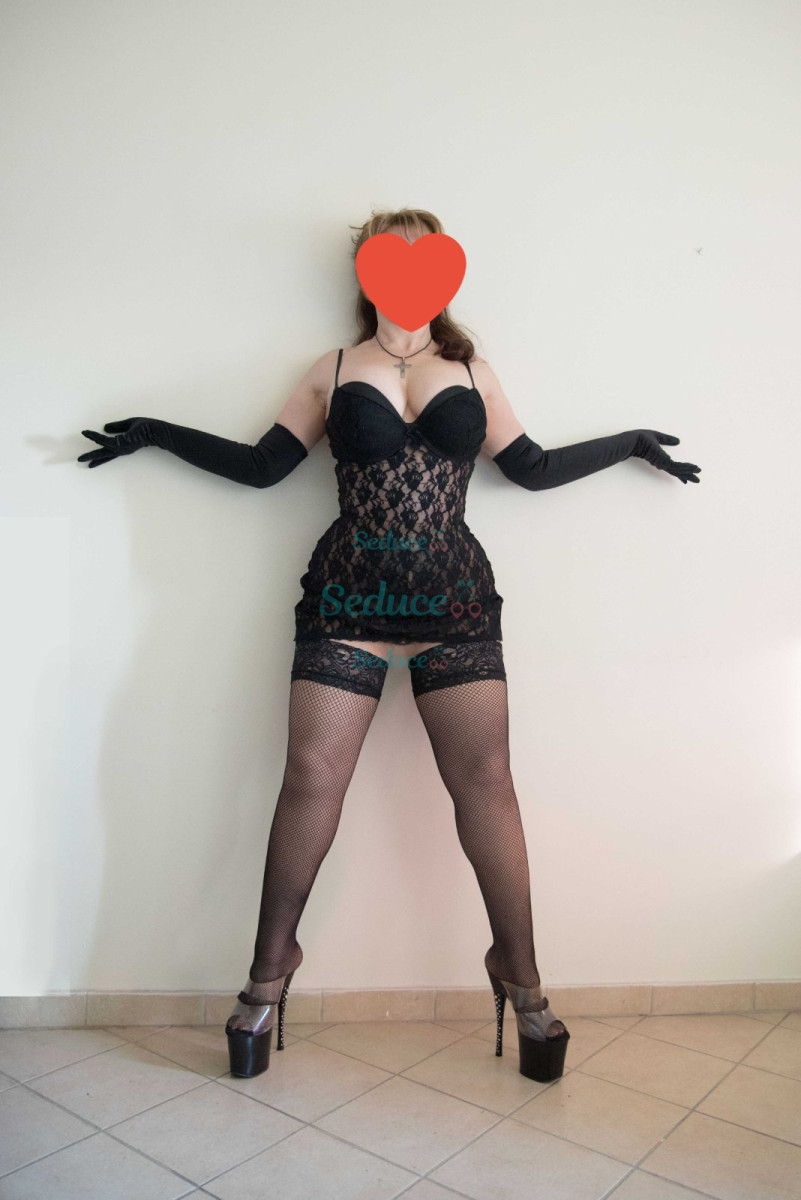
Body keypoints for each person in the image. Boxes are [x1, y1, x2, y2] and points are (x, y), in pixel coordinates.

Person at [77, 207, 701, 1083]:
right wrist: (156, 432)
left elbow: (529, 468)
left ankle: (520, 977)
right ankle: (268, 974)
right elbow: (263, 468)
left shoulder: (470, 369)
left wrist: (629, 443)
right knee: (310, 779)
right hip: (346, 596)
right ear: (367, 272)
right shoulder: (332, 368)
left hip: (452, 598)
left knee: (486, 783)